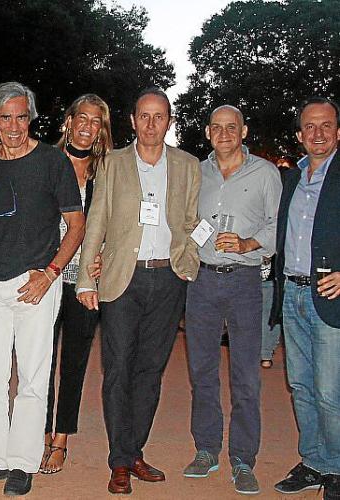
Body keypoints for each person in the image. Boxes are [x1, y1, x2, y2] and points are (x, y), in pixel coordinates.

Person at [76, 87, 200, 495]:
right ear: (132, 121)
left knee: (150, 371)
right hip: (122, 279)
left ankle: (133, 452)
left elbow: (193, 221)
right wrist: (86, 278)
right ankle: (119, 461)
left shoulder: (187, 165)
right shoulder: (112, 163)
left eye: (159, 116)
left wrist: (189, 262)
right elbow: (97, 220)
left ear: (169, 121)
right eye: (144, 116)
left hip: (167, 279)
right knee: (118, 370)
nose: (151, 124)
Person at [0, 81, 85, 496]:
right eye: (5, 118)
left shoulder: (53, 161)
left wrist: (50, 273)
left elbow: (76, 225)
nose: (14, 126)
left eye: (21, 117)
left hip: (37, 282)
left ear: (31, 118)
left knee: (33, 378)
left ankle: (23, 462)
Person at [181, 105, 281, 495]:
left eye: (231, 127)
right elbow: (184, 219)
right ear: (208, 132)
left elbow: (276, 225)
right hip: (202, 282)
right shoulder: (196, 172)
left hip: (244, 282)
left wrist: (247, 243)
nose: (224, 134)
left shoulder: (265, 173)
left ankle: (243, 458)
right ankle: (206, 449)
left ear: (244, 131)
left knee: (246, 376)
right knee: (202, 372)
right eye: (217, 127)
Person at [271, 97, 340, 500]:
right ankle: (314, 461)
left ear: (338, 132)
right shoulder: (292, 178)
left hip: (328, 298)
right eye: (310, 126)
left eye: (326, 125)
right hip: (292, 294)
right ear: (299, 135)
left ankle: (336, 467)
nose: (318, 133)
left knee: (330, 391)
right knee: (300, 385)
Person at [40, 94, 112, 474]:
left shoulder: (108, 172)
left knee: (74, 363)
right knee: (41, 361)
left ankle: (61, 438)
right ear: (68, 121)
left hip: (85, 281)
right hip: (45, 277)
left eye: (95, 121)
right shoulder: (45, 161)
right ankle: (40, 432)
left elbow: (120, 222)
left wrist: (106, 255)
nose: (87, 126)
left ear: (102, 130)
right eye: (81, 118)